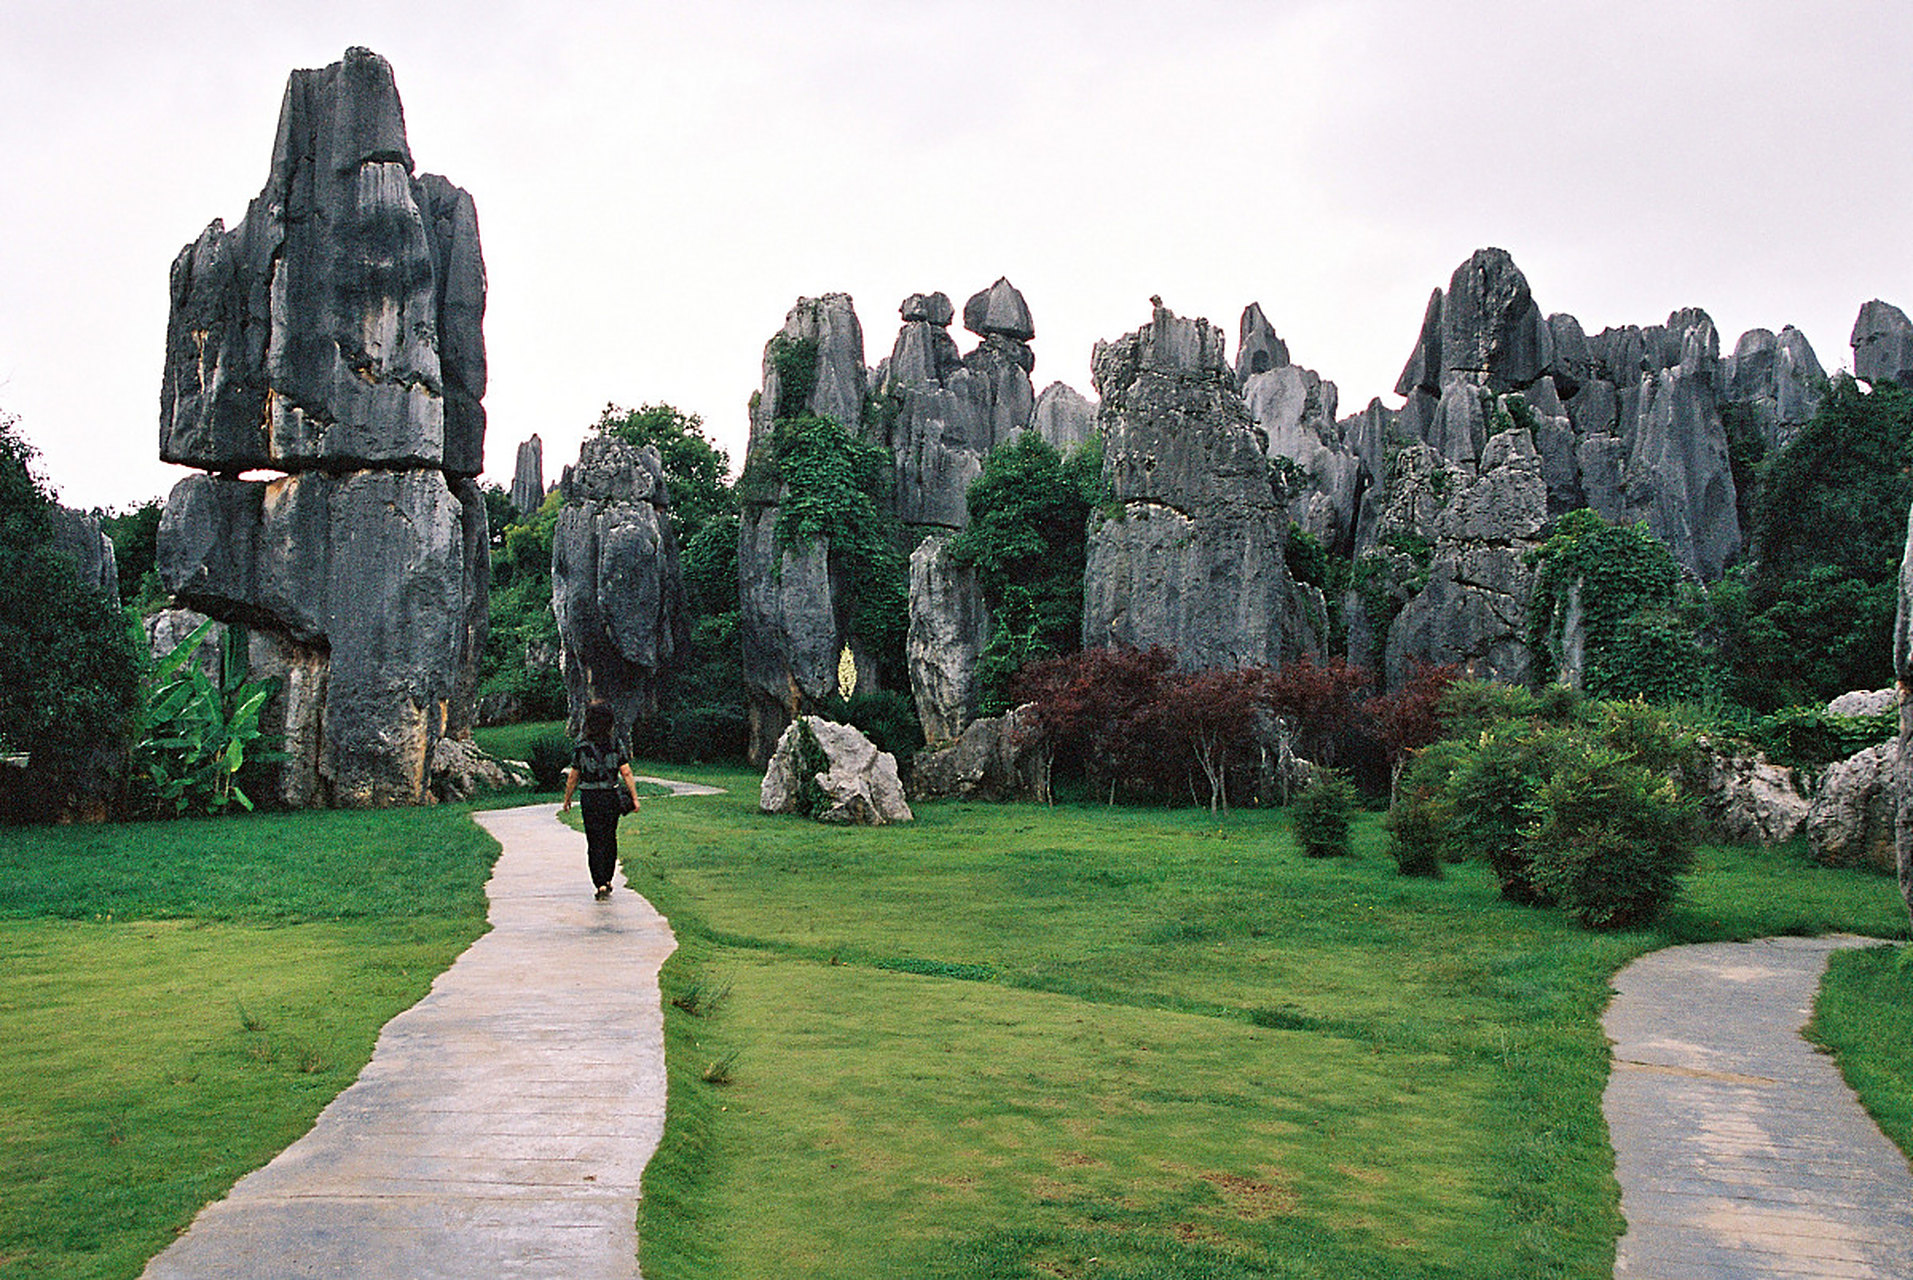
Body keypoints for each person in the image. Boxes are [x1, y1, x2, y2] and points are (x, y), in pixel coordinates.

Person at [560, 701, 643, 900]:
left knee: (594, 839)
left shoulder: (581, 746)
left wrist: (567, 798)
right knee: (609, 837)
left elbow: (573, 776)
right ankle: (607, 878)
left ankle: (599, 883)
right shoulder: (615, 744)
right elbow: (626, 772)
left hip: (590, 798)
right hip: (609, 796)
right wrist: (634, 797)